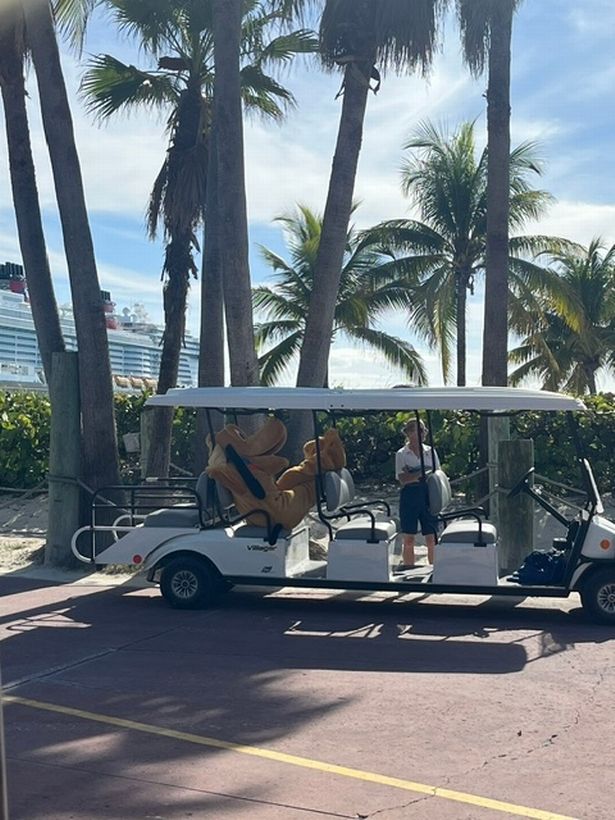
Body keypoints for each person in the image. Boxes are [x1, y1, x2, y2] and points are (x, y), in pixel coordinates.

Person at [395, 418, 440, 567]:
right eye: (419, 430)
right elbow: (402, 479)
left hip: (428, 496)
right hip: (410, 497)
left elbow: (437, 473)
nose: (423, 433)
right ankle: (408, 570)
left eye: (424, 430)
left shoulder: (430, 451)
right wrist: (419, 475)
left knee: (431, 538)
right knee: (409, 538)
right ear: (409, 433)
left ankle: (434, 570)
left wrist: (414, 474)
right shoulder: (402, 454)